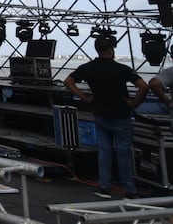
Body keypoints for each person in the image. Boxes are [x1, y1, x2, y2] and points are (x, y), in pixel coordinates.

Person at [63, 36, 148, 200]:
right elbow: (144, 86)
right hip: (121, 114)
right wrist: (133, 103)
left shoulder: (87, 68)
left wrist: (85, 98)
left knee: (105, 152)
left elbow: (68, 82)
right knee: (123, 153)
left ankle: (104, 187)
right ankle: (130, 190)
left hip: (100, 113)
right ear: (111, 50)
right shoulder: (122, 69)